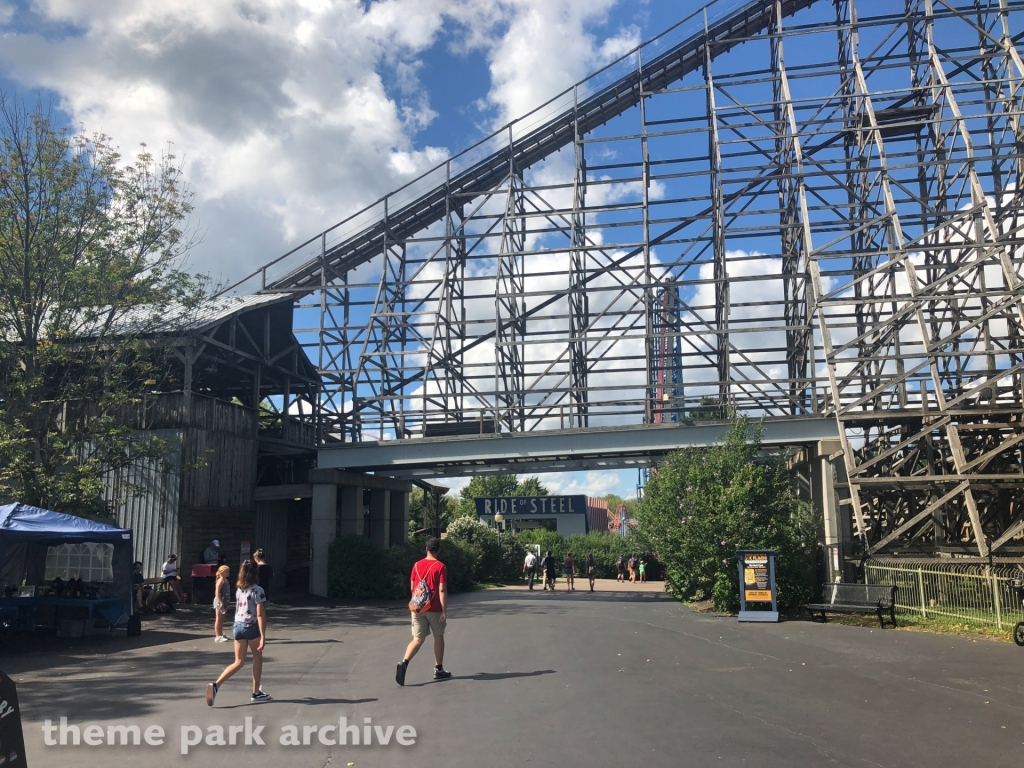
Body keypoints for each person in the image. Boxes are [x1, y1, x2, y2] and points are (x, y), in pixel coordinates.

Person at [206, 560, 270, 706]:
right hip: (251, 626)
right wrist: (263, 636)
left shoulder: (239, 589)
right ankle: (256, 692)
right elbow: (260, 615)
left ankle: (216, 685)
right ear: (255, 573)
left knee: (239, 661)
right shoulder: (258, 590)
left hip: (238, 626)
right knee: (257, 658)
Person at [396, 537, 451, 685]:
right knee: (438, 636)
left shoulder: (416, 565)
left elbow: (413, 587)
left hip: (418, 608)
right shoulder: (441, 567)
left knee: (417, 639)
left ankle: (404, 662)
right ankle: (438, 669)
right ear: (438, 550)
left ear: (426, 549)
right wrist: (444, 611)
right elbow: (442, 590)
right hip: (434, 608)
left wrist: (418, 603)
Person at [213, 565, 231, 642]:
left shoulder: (226, 580)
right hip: (220, 601)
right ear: (222, 572)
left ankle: (221, 633)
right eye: (227, 571)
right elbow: (217, 593)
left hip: (225, 601)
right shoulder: (220, 581)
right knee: (219, 619)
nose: (228, 573)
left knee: (222, 619)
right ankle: (218, 636)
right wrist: (220, 602)